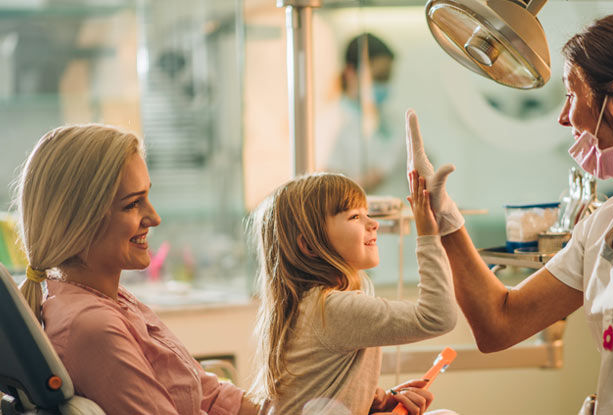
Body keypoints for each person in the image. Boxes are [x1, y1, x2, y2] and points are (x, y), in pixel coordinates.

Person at [405, 12, 613, 414]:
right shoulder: (605, 224)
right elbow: (499, 324)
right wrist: (445, 218)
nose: (564, 117)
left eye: (571, 95)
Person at [16, 124, 259, 415]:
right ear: (81, 220)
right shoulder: (93, 328)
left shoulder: (112, 299)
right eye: (133, 204)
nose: (154, 218)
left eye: (147, 197)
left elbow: (213, 396)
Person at [249, 172, 458, 414]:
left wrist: (376, 401)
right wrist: (428, 236)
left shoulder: (307, 305)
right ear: (309, 245)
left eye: (367, 213)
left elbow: (319, 391)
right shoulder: (332, 308)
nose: (373, 223)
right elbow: (438, 316)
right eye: (355, 216)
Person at [319, 33, 405, 193]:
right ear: (351, 73)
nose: (383, 85)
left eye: (387, 78)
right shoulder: (330, 122)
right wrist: (382, 171)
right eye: (378, 77)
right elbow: (329, 190)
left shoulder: (392, 121)